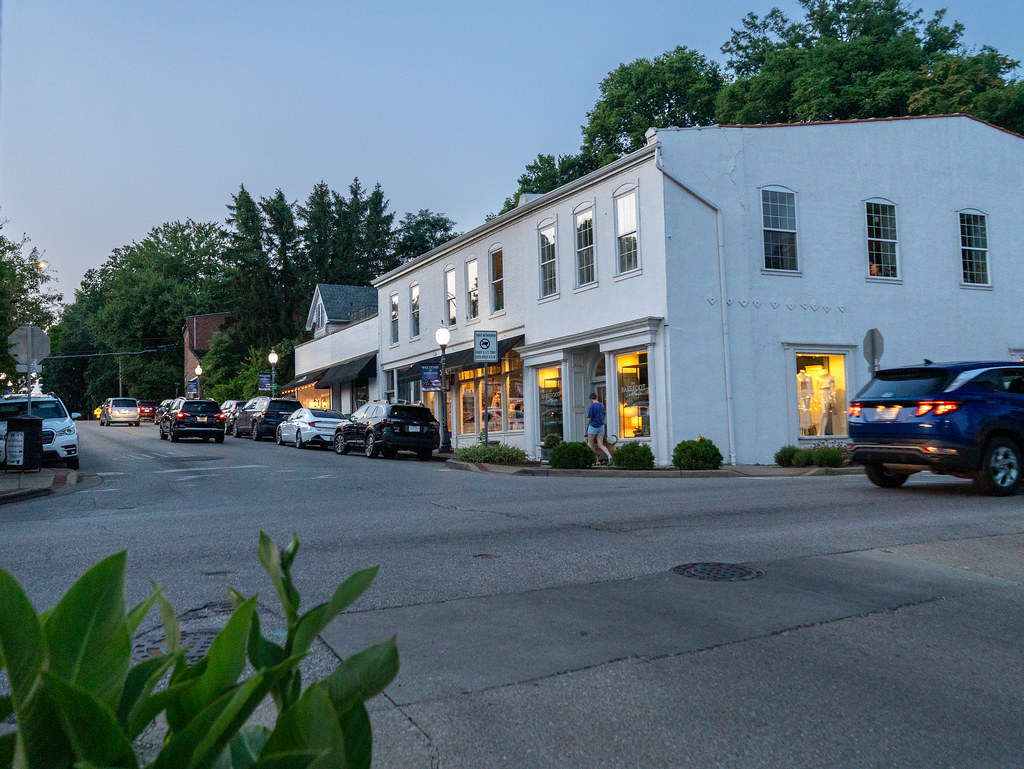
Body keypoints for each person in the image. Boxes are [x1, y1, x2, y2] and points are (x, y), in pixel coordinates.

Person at [586, 393, 613, 464]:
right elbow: (604, 415)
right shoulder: (601, 405)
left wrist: (587, 425)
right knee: (600, 445)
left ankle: (592, 459)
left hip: (593, 426)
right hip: (601, 426)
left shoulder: (592, 406)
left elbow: (589, 417)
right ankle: (609, 456)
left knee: (590, 444)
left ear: (591, 399)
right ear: (597, 397)